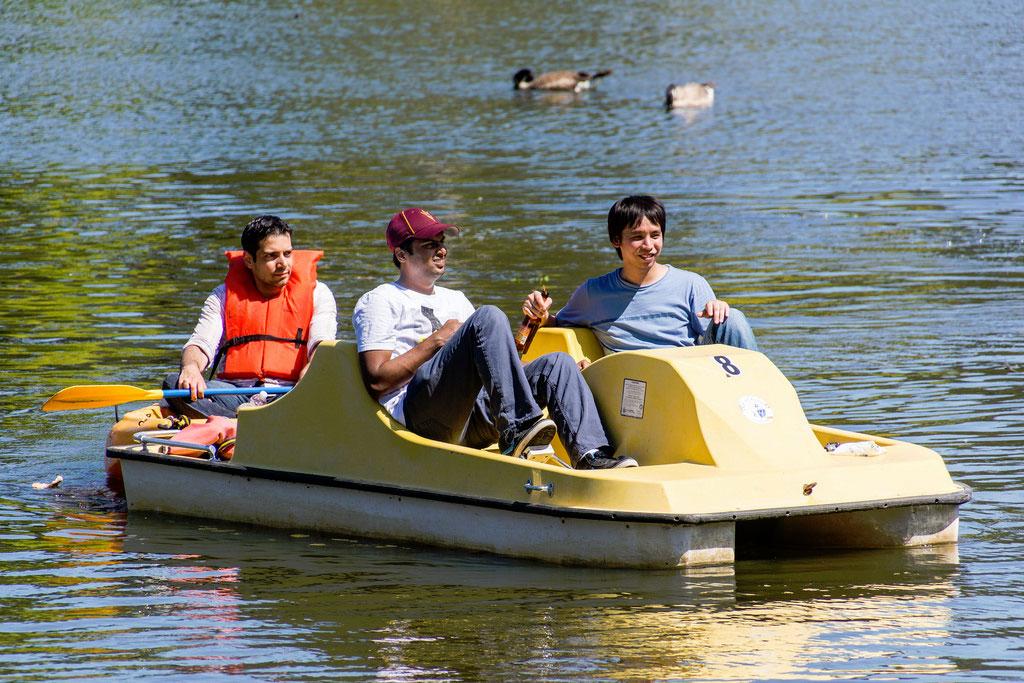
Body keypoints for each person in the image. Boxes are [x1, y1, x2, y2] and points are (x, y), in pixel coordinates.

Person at [352, 207, 636, 470]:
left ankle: (591, 457)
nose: (441, 250)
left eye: (441, 242)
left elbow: (496, 368)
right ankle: (517, 430)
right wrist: (437, 341)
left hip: (475, 417)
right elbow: (377, 380)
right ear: (402, 255)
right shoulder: (380, 299)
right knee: (489, 315)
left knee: (557, 366)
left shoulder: (456, 298)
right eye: (429, 244)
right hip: (423, 416)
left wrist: (532, 325)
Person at [522, 195, 758, 355]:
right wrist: (540, 315)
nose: (648, 245)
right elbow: (558, 324)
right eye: (637, 237)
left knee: (733, 318)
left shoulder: (691, 284)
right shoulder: (594, 293)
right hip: (635, 389)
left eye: (655, 235)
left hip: (691, 380)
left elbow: (713, 346)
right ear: (616, 241)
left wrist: (719, 309)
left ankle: (759, 407)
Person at [164, 215, 338, 418]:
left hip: (289, 392)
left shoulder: (318, 293)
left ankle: (228, 424)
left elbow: (322, 347)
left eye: (288, 254)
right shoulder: (222, 296)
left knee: (322, 391)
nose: (283, 264)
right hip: (233, 393)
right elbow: (200, 343)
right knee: (173, 383)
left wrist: (310, 376)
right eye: (271, 256)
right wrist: (191, 368)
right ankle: (239, 424)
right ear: (249, 260)